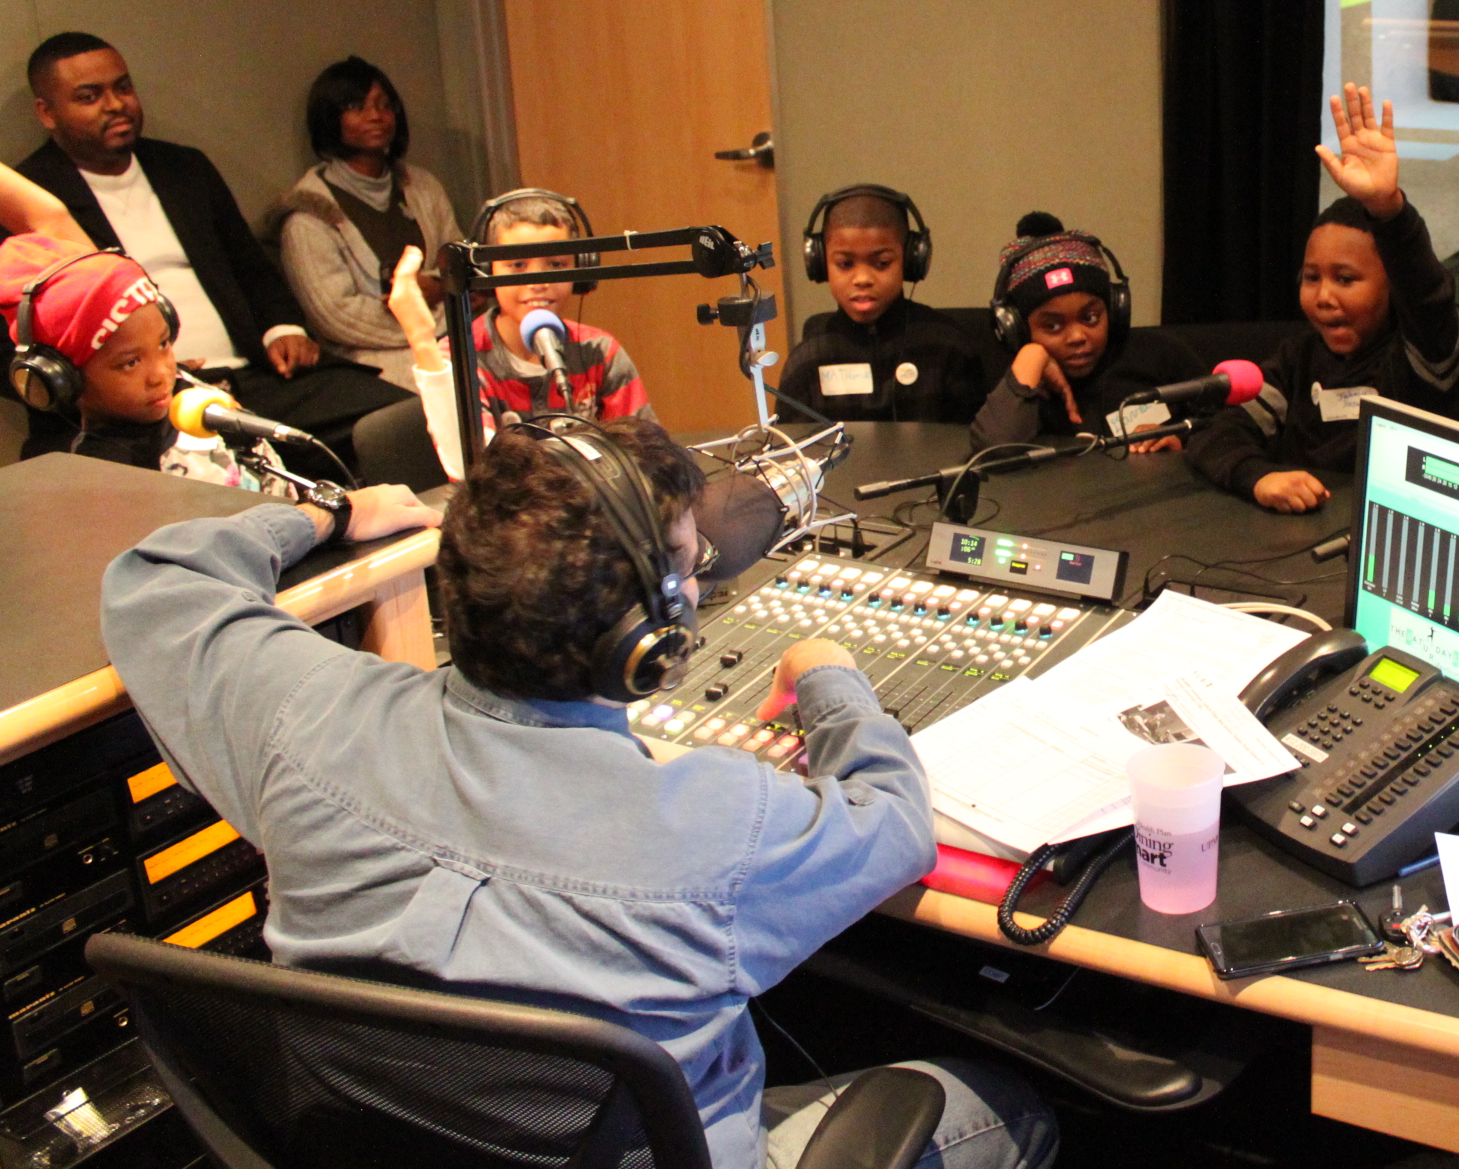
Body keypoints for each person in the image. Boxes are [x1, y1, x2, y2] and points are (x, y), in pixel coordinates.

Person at [99, 416, 1057, 1168]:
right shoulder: (720, 828)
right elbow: (894, 824)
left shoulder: (304, 719)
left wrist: (335, 514)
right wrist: (831, 675)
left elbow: (157, 578)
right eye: (686, 567)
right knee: (1008, 1108)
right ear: (650, 646)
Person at [13, 32, 410, 463]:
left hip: (255, 375)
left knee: (400, 420)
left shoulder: (184, 168)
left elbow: (250, 266)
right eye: (89, 97)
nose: (115, 105)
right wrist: (139, 378)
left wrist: (284, 328)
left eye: (123, 88)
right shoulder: (30, 203)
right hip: (143, 405)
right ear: (47, 113)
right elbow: (15, 351)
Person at [1186, 83, 1459, 511]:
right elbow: (1219, 431)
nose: (1323, 296)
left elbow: (1428, 297)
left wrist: (1388, 209)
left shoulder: (1422, 359)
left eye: (1345, 279)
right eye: (1310, 277)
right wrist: (1259, 476)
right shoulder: (1297, 360)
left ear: (1391, 286)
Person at [0, 234, 292, 492]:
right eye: (130, 363)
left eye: (163, 344)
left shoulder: (191, 396)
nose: (161, 374)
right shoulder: (102, 477)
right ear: (64, 380)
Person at [266, 56, 465, 390]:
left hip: (451, 339)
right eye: (358, 107)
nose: (376, 116)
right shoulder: (307, 214)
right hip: (367, 361)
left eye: (385, 106)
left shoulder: (423, 187)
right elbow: (335, 317)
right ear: (331, 118)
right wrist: (429, 316)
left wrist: (438, 288)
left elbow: (459, 264)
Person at [970, 215, 1204, 451]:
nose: (1077, 337)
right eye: (1052, 326)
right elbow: (991, 454)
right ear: (1017, 329)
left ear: (1113, 310)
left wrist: (1182, 446)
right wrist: (1032, 356)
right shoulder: (1020, 379)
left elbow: (1230, 425)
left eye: (1090, 318)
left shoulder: (1159, 355)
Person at [775, 186, 985, 423]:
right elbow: (791, 455)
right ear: (821, 263)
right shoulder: (808, 362)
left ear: (910, 259)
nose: (862, 279)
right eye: (845, 264)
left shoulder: (948, 347)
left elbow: (974, 446)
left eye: (882, 263)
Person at [466, 190, 654, 431]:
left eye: (556, 265)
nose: (538, 283)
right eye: (517, 265)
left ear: (581, 267)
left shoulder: (599, 351)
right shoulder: (463, 358)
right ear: (487, 269)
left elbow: (647, 452)